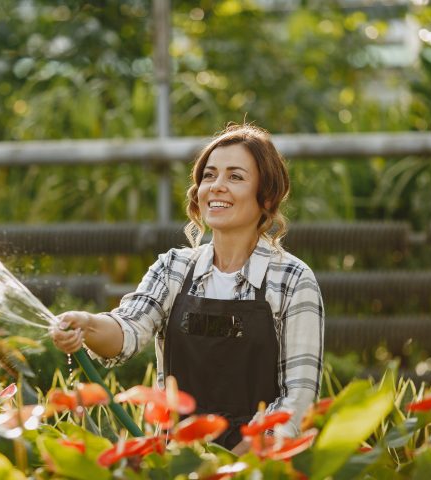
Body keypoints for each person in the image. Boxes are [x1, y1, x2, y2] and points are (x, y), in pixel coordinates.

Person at [50, 123, 324, 453]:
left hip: (259, 465)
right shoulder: (174, 268)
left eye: (235, 177)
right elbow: (127, 331)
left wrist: (236, 464)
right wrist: (87, 324)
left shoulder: (293, 279)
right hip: (180, 459)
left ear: (266, 196)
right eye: (209, 176)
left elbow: (297, 399)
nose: (217, 186)